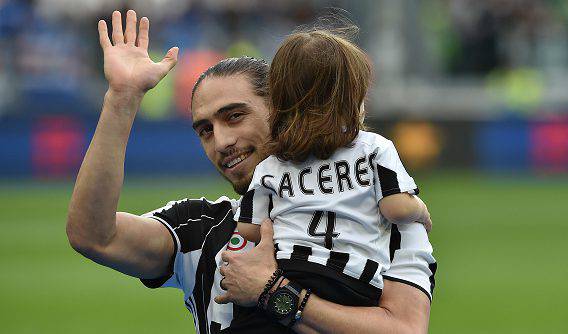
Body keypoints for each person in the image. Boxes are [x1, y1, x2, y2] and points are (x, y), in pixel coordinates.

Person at [66, 10, 437, 334]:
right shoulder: (202, 227)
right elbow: (93, 236)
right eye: (205, 130)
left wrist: (274, 292)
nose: (222, 141)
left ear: (282, 109)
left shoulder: (390, 224)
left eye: (234, 116)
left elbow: (404, 329)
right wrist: (122, 98)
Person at [234, 28, 432, 314]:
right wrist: (421, 210)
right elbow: (396, 208)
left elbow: (249, 229)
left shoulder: (270, 166)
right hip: (354, 280)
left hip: (290, 274)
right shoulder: (374, 148)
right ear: (348, 99)